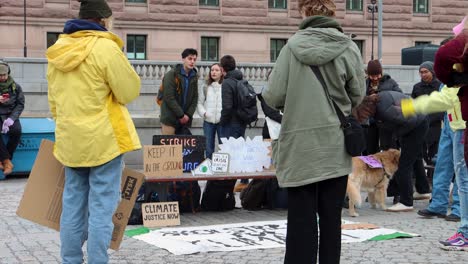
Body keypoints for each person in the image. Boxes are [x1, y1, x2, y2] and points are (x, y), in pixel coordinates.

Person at [262, 0, 369, 262]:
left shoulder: (291, 48)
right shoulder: (348, 47)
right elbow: (358, 94)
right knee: (331, 219)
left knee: (301, 219)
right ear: (332, 12)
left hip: (300, 147)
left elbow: (272, 95)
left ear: (304, 12)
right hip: (334, 143)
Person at [46, 0, 141, 262]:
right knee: (101, 208)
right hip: (104, 141)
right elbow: (129, 91)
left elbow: (54, 103)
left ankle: (70, 260)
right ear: (104, 20)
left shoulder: (56, 50)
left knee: (72, 206)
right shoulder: (106, 48)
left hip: (70, 142)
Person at [431, 16, 468, 250]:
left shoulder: (454, 75)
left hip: (461, 127)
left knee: (463, 179)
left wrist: (408, 107)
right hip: (456, 126)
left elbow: (443, 57)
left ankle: (465, 229)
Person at [401, 83, 462, 222]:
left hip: (461, 124)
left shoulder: (459, 76)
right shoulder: (448, 79)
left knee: (461, 169)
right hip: (449, 121)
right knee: (442, 165)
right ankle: (438, 204)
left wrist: (412, 106)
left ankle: (460, 208)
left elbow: (442, 99)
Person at [372, 90, 429, 212]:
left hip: (416, 125)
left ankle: (406, 202)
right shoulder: (381, 101)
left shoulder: (384, 110)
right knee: (415, 158)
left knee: (404, 164)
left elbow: (410, 121)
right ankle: (423, 190)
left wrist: (398, 135)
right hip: (420, 120)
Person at [219, 55, 249, 192]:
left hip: (230, 123)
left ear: (222, 68)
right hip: (241, 121)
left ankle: (228, 184)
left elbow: (227, 107)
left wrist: (222, 122)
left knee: (229, 154)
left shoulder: (227, 82)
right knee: (240, 152)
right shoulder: (240, 79)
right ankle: (244, 181)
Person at [365, 59, 402, 154]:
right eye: (372, 76)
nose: (375, 78)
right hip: (370, 122)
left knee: (389, 150)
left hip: (386, 121)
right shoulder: (365, 83)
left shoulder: (390, 82)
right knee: (370, 149)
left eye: (377, 75)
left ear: (381, 73)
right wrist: (368, 99)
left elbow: (400, 97)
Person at [411, 61, 443, 169]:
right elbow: (414, 104)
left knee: (434, 151)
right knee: (421, 151)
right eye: (421, 72)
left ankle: (432, 175)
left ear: (432, 72)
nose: (423, 74)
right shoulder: (417, 87)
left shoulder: (440, 86)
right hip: (420, 124)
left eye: (426, 72)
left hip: (435, 124)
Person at [160, 48, 199, 135]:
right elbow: (169, 97)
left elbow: (195, 97)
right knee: (168, 147)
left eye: (194, 59)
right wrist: (181, 115)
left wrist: (188, 115)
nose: (192, 62)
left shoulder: (194, 76)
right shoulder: (171, 74)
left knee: (184, 148)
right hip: (170, 119)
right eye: (190, 59)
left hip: (185, 120)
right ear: (183, 59)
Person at [0, 61, 25, 175]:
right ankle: (7, 162)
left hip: (10, 116)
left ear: (8, 73)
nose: (2, 78)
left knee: (16, 131)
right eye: (0, 76)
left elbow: (20, 104)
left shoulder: (15, 86)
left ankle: (4, 160)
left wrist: (12, 118)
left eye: (4, 75)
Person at [197, 63, 223, 159]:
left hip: (222, 122)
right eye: (212, 70)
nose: (214, 72)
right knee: (208, 148)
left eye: (217, 70)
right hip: (208, 121)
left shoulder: (226, 86)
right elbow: (199, 103)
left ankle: (223, 170)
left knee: (223, 146)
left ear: (221, 72)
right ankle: (208, 167)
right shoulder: (205, 86)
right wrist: (204, 113)